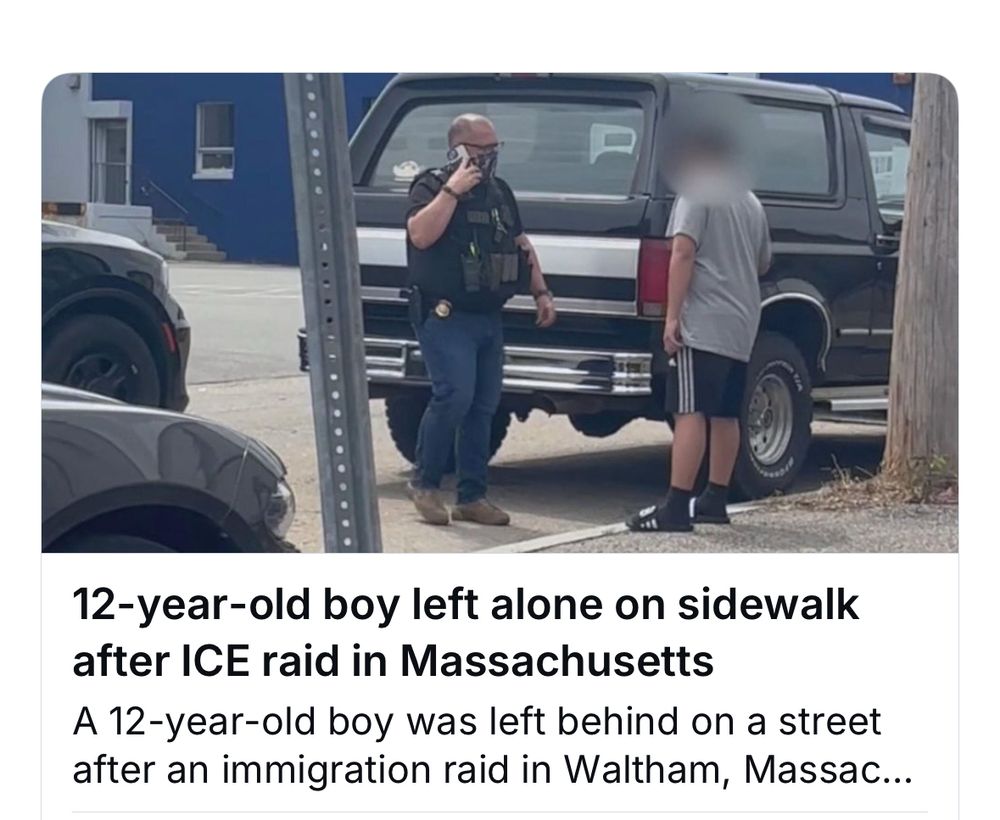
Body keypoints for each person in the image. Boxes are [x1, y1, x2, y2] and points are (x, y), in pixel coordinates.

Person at [405, 113, 557, 527]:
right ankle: (425, 484)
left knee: (483, 406)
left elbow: (521, 243)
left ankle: (472, 496)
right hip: (445, 315)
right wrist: (452, 193)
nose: (490, 157)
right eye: (482, 150)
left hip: (488, 316)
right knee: (453, 396)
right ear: (458, 149)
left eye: (495, 149)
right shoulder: (431, 186)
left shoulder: (499, 193)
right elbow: (420, 235)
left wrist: (540, 291)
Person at [627, 130, 771, 533]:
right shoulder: (750, 201)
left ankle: (675, 504)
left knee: (689, 408)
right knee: (726, 411)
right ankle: (715, 498)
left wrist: (672, 317)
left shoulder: (696, 194)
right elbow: (762, 263)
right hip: (742, 319)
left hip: (704, 318)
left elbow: (684, 251)